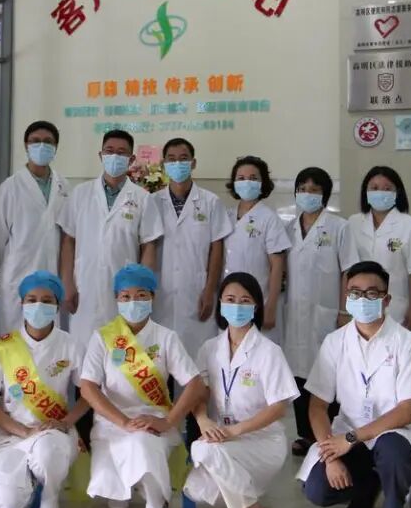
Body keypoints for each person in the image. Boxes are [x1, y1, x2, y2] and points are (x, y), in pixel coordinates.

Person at [298, 261, 411, 508]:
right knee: (317, 489)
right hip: (347, 434)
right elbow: (318, 406)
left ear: (386, 300)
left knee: (393, 452)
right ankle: (368, 485)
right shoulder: (335, 342)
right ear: (346, 297)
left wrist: (350, 439)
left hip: (394, 432)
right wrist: (330, 455)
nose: (362, 299)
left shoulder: (408, 344)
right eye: (355, 293)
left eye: (372, 293)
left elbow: (407, 412)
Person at [79, 264, 207, 508]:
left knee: (141, 442)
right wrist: (123, 422)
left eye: (141, 295)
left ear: (152, 297)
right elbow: (88, 388)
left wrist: (168, 422)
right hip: (112, 421)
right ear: (116, 299)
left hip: (153, 418)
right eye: (125, 296)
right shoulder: (102, 337)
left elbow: (195, 384)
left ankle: (157, 506)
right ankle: (127, 487)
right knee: (116, 499)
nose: (133, 302)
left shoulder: (166, 337)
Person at [184, 272, 299, 508]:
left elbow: (278, 408)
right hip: (224, 436)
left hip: (262, 441)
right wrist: (203, 421)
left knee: (203, 449)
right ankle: (244, 494)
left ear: (256, 306)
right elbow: (199, 393)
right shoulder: (209, 348)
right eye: (230, 299)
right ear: (220, 304)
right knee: (195, 490)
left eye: (245, 300)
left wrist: (236, 431)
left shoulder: (269, 351)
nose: (237, 306)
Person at [0, 271, 90, 508]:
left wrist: (66, 422)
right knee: (6, 503)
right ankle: (27, 483)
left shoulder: (70, 344)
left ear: (58, 306)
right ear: (22, 304)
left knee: (48, 453)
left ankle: (50, 500)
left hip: (52, 431)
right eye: (32, 299)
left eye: (47, 300)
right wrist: (24, 431)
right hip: (9, 434)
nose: (39, 306)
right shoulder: (3, 347)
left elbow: (89, 394)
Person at [58, 130, 164, 345]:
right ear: (101, 155)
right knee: (84, 348)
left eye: (121, 152)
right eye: (109, 151)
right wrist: (67, 283)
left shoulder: (142, 198)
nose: (115, 156)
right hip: (84, 286)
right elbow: (68, 240)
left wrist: (142, 289)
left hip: (126, 291)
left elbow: (149, 246)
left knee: (122, 351)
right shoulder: (81, 193)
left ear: (131, 159)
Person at [284, 167, 358, 456]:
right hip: (294, 312)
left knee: (328, 371)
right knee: (297, 372)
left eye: (314, 190)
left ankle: (332, 431)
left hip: (326, 311)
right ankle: (305, 434)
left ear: (325, 195)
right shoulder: (288, 229)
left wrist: (344, 309)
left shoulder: (339, 227)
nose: (308, 194)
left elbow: (348, 270)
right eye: (302, 188)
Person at [152, 137, 232, 362]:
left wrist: (210, 290)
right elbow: (146, 247)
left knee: (197, 360)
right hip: (161, 292)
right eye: (171, 159)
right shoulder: (152, 202)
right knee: (160, 359)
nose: (178, 164)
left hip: (197, 292)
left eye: (183, 158)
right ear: (164, 164)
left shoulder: (211, 202)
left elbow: (217, 248)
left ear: (193, 163)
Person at [0, 121, 70, 333]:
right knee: (15, 339)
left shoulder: (64, 186)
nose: (41, 146)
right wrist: (13, 265)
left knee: (50, 340)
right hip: (18, 276)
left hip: (53, 276)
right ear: (26, 145)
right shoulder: (10, 187)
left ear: (56, 147)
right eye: (35, 141)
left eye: (48, 142)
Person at [347, 166, 411, 331]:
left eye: (387, 189)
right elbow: (346, 267)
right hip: (359, 305)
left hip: (396, 309)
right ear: (365, 192)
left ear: (397, 193)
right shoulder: (353, 223)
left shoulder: (410, 225)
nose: (380, 192)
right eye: (374, 188)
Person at [222, 156, 290, 343]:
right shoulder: (226, 215)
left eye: (253, 178)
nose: (247, 182)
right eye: (241, 178)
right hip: (229, 302)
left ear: (262, 183)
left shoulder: (269, 218)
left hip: (258, 301)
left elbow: (277, 265)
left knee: (258, 350)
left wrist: (271, 306)